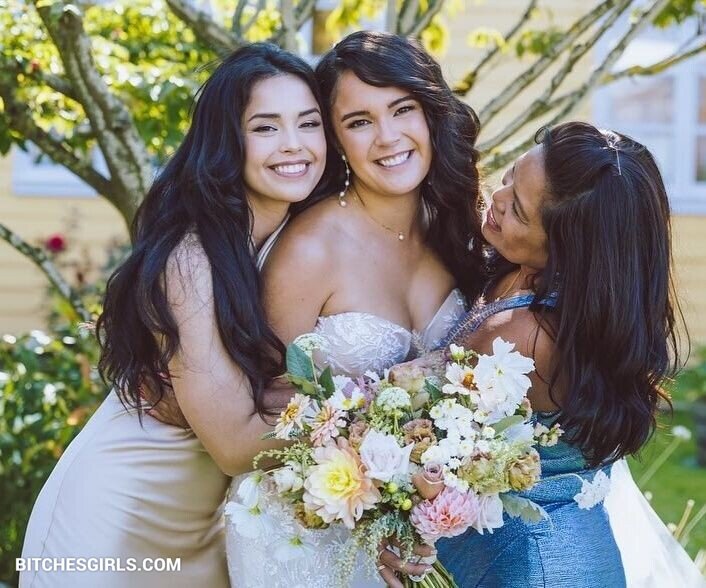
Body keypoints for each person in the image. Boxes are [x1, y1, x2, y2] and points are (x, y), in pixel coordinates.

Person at [20, 43, 327, 588]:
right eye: (265, 127)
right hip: (116, 515)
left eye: (309, 123)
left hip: (204, 528)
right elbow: (233, 446)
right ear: (227, 140)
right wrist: (369, 414)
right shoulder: (192, 256)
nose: (293, 144)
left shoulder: (297, 240)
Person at [225, 31, 487, 588]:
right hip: (304, 528)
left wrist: (413, 505)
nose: (388, 137)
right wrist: (371, 487)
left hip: (412, 529)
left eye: (402, 109)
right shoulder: (309, 251)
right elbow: (267, 406)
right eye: (359, 121)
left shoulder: (457, 229)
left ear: (431, 114)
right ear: (337, 139)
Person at [430, 121, 704, 586]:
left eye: (518, 210)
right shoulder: (530, 277)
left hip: (538, 566)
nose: (497, 198)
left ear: (567, 249)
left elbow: (423, 445)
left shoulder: (526, 337)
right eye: (511, 175)